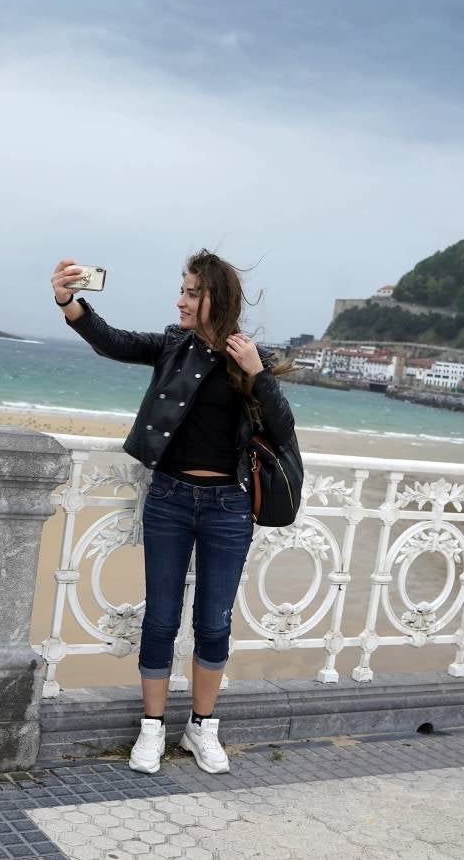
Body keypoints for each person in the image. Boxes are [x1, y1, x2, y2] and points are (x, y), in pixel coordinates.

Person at [50, 250, 295, 775]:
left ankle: (202, 727)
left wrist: (258, 374)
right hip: (169, 499)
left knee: (213, 623)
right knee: (160, 618)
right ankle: (152, 729)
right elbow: (113, 341)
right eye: (182, 290)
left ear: (216, 299)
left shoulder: (249, 356)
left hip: (229, 505)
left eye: (191, 292)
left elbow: (282, 429)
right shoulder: (172, 345)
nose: (180, 300)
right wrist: (70, 302)